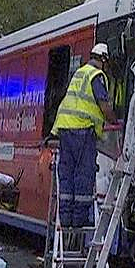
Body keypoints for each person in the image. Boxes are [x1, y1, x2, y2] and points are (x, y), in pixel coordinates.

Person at [50, 43, 117, 228]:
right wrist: (114, 121)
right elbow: (104, 105)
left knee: (67, 174)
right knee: (83, 174)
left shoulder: (79, 73)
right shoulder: (96, 75)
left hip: (65, 128)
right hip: (82, 130)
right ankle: (79, 220)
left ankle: (65, 218)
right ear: (103, 59)